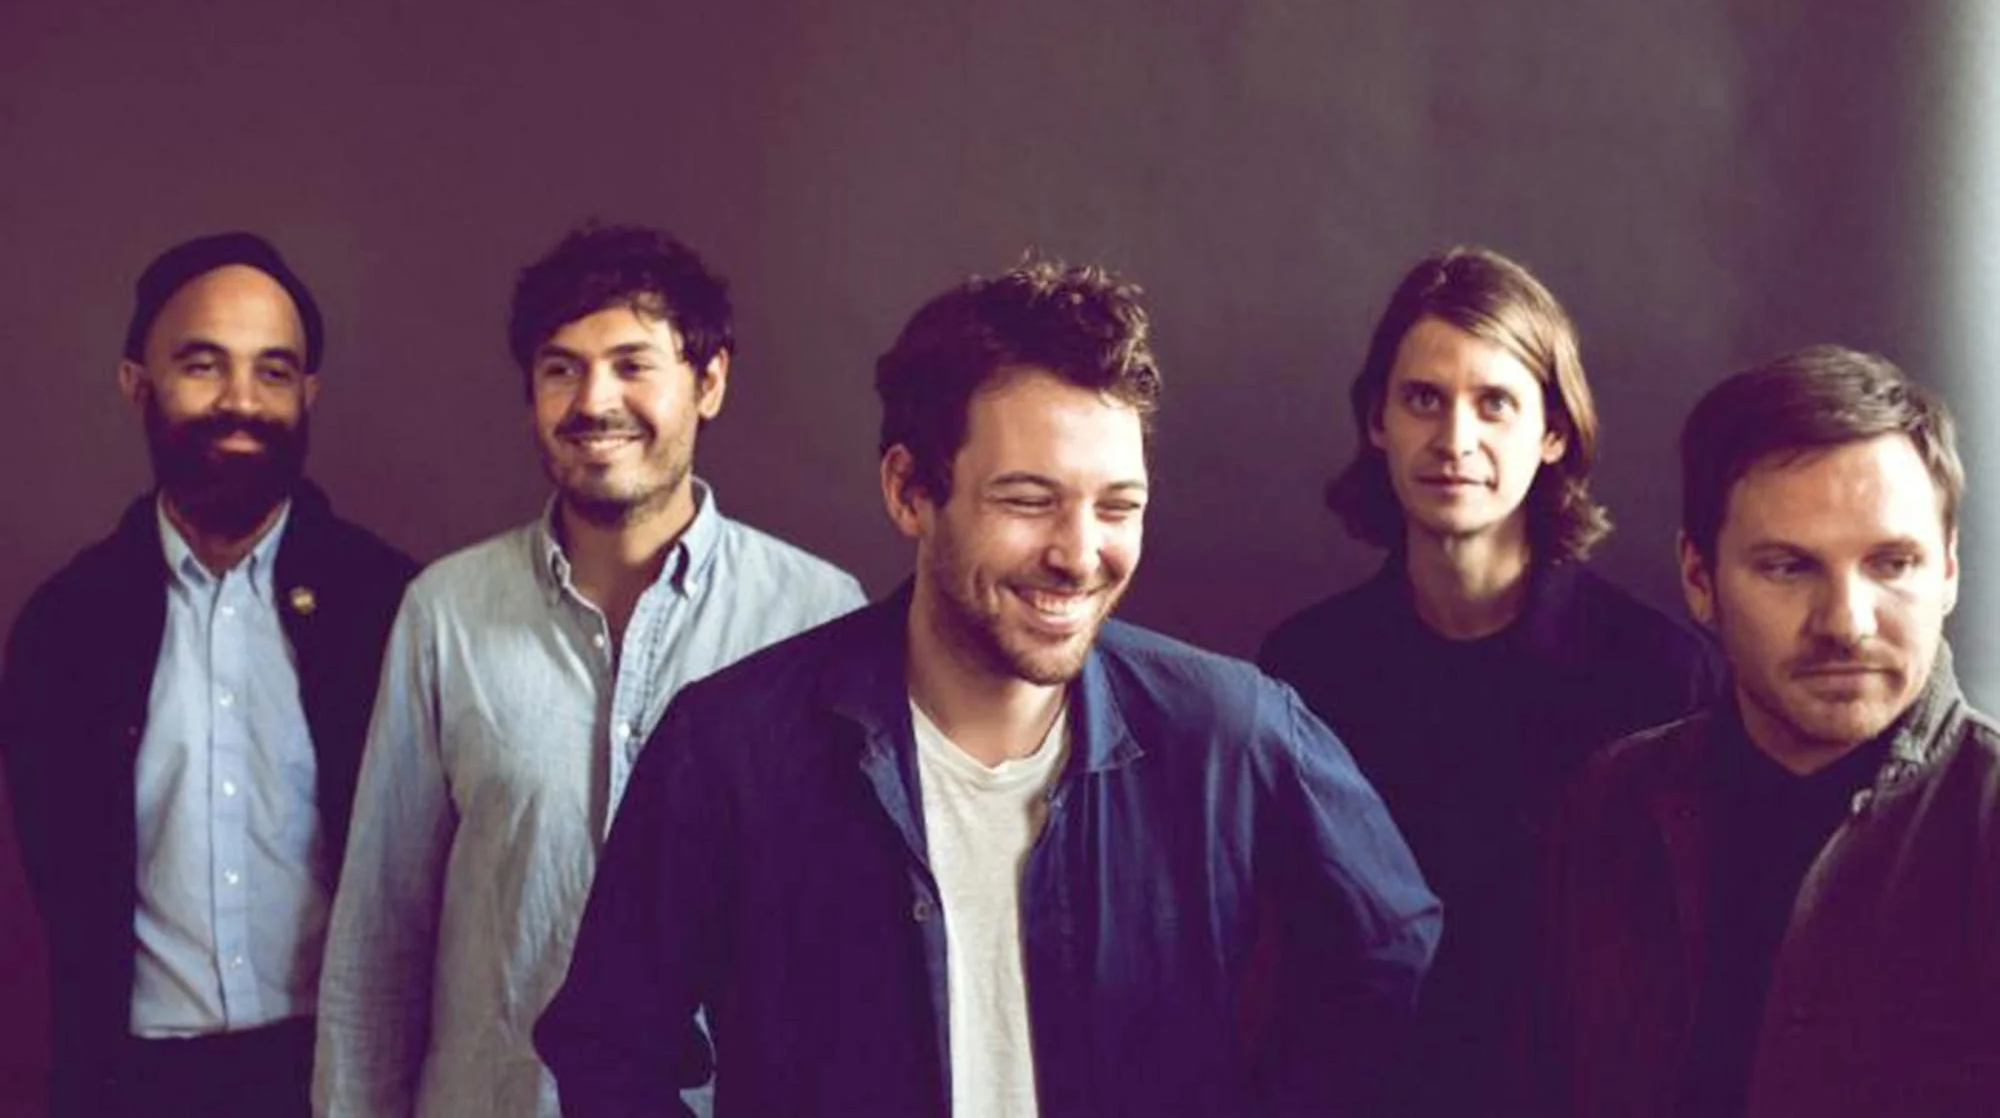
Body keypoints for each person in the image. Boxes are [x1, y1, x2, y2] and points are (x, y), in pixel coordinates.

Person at [536, 258, 1441, 1118]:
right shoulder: (731, 747)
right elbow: (610, 1044)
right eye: (1028, 499)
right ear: (908, 491)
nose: (1080, 553)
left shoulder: (1231, 730)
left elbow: (1389, 943)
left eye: (1117, 505)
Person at [312, 224, 866, 1118]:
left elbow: (851, 945)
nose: (593, 399)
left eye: (633, 363)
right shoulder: (444, 612)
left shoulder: (816, 616)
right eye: (561, 367)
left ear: (710, 380)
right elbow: (380, 933)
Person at [1257, 246, 1715, 1114]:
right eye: (1423, 398)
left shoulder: (1657, 671)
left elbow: (1681, 963)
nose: (1454, 440)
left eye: (1493, 403)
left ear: (1552, 432)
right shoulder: (1307, 667)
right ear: (1377, 421)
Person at [0, 233, 416, 1118]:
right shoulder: (62, 629)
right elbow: (56, 891)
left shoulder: (393, 607)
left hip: (341, 1078)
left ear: (308, 394)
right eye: (203, 365)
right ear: (135, 384)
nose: (241, 401)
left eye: (273, 372)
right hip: (131, 1085)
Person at [1529, 345, 2000, 1117]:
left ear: (1948, 571)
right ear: (1698, 577)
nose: (1846, 622)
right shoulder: (1609, 804)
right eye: (1788, 566)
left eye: (1892, 563)